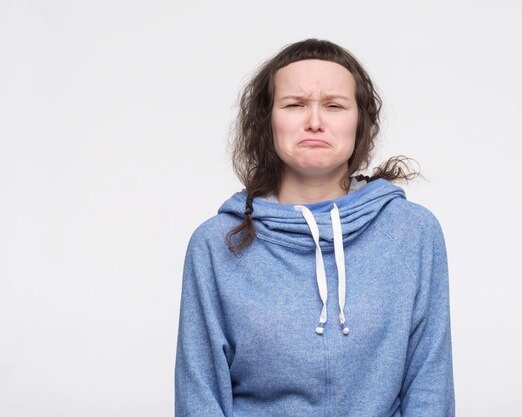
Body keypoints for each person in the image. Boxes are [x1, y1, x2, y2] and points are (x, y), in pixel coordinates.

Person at [175, 39, 455, 417]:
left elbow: (429, 386)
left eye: (334, 105)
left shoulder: (413, 233)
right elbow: (200, 394)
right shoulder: (216, 243)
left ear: (360, 122)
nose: (315, 121)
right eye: (294, 105)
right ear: (267, 121)